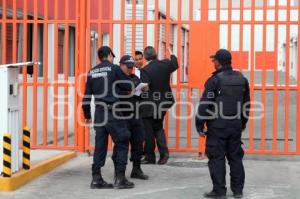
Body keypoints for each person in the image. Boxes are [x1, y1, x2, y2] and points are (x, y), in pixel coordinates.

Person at [195, 49, 250, 199]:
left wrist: (199, 124)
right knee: (235, 157)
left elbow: (205, 104)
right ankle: (238, 191)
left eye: (214, 60)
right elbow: (246, 104)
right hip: (235, 125)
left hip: (217, 126)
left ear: (218, 62)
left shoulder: (214, 80)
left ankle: (219, 191)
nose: (213, 62)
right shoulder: (242, 79)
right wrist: (243, 122)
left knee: (217, 158)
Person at [82, 46, 135, 189]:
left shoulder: (91, 72)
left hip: (99, 114)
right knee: (122, 141)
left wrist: (87, 114)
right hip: (113, 113)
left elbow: (86, 96)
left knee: (100, 145)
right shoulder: (114, 69)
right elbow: (126, 85)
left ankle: (96, 179)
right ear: (110, 55)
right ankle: (120, 178)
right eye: (113, 56)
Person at [140, 46, 178, 165]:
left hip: (149, 104)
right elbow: (175, 64)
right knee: (158, 127)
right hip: (163, 103)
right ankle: (164, 154)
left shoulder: (145, 70)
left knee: (149, 130)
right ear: (155, 54)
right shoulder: (166, 64)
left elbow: (145, 88)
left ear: (145, 57)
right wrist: (171, 54)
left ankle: (149, 156)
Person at [117, 55, 149, 180]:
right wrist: (127, 93)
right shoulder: (117, 78)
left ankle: (136, 169)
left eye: (132, 67)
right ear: (121, 65)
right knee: (122, 144)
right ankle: (119, 172)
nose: (131, 69)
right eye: (128, 67)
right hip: (122, 115)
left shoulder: (134, 77)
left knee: (138, 142)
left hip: (135, 114)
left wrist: (144, 89)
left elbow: (141, 94)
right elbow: (113, 94)